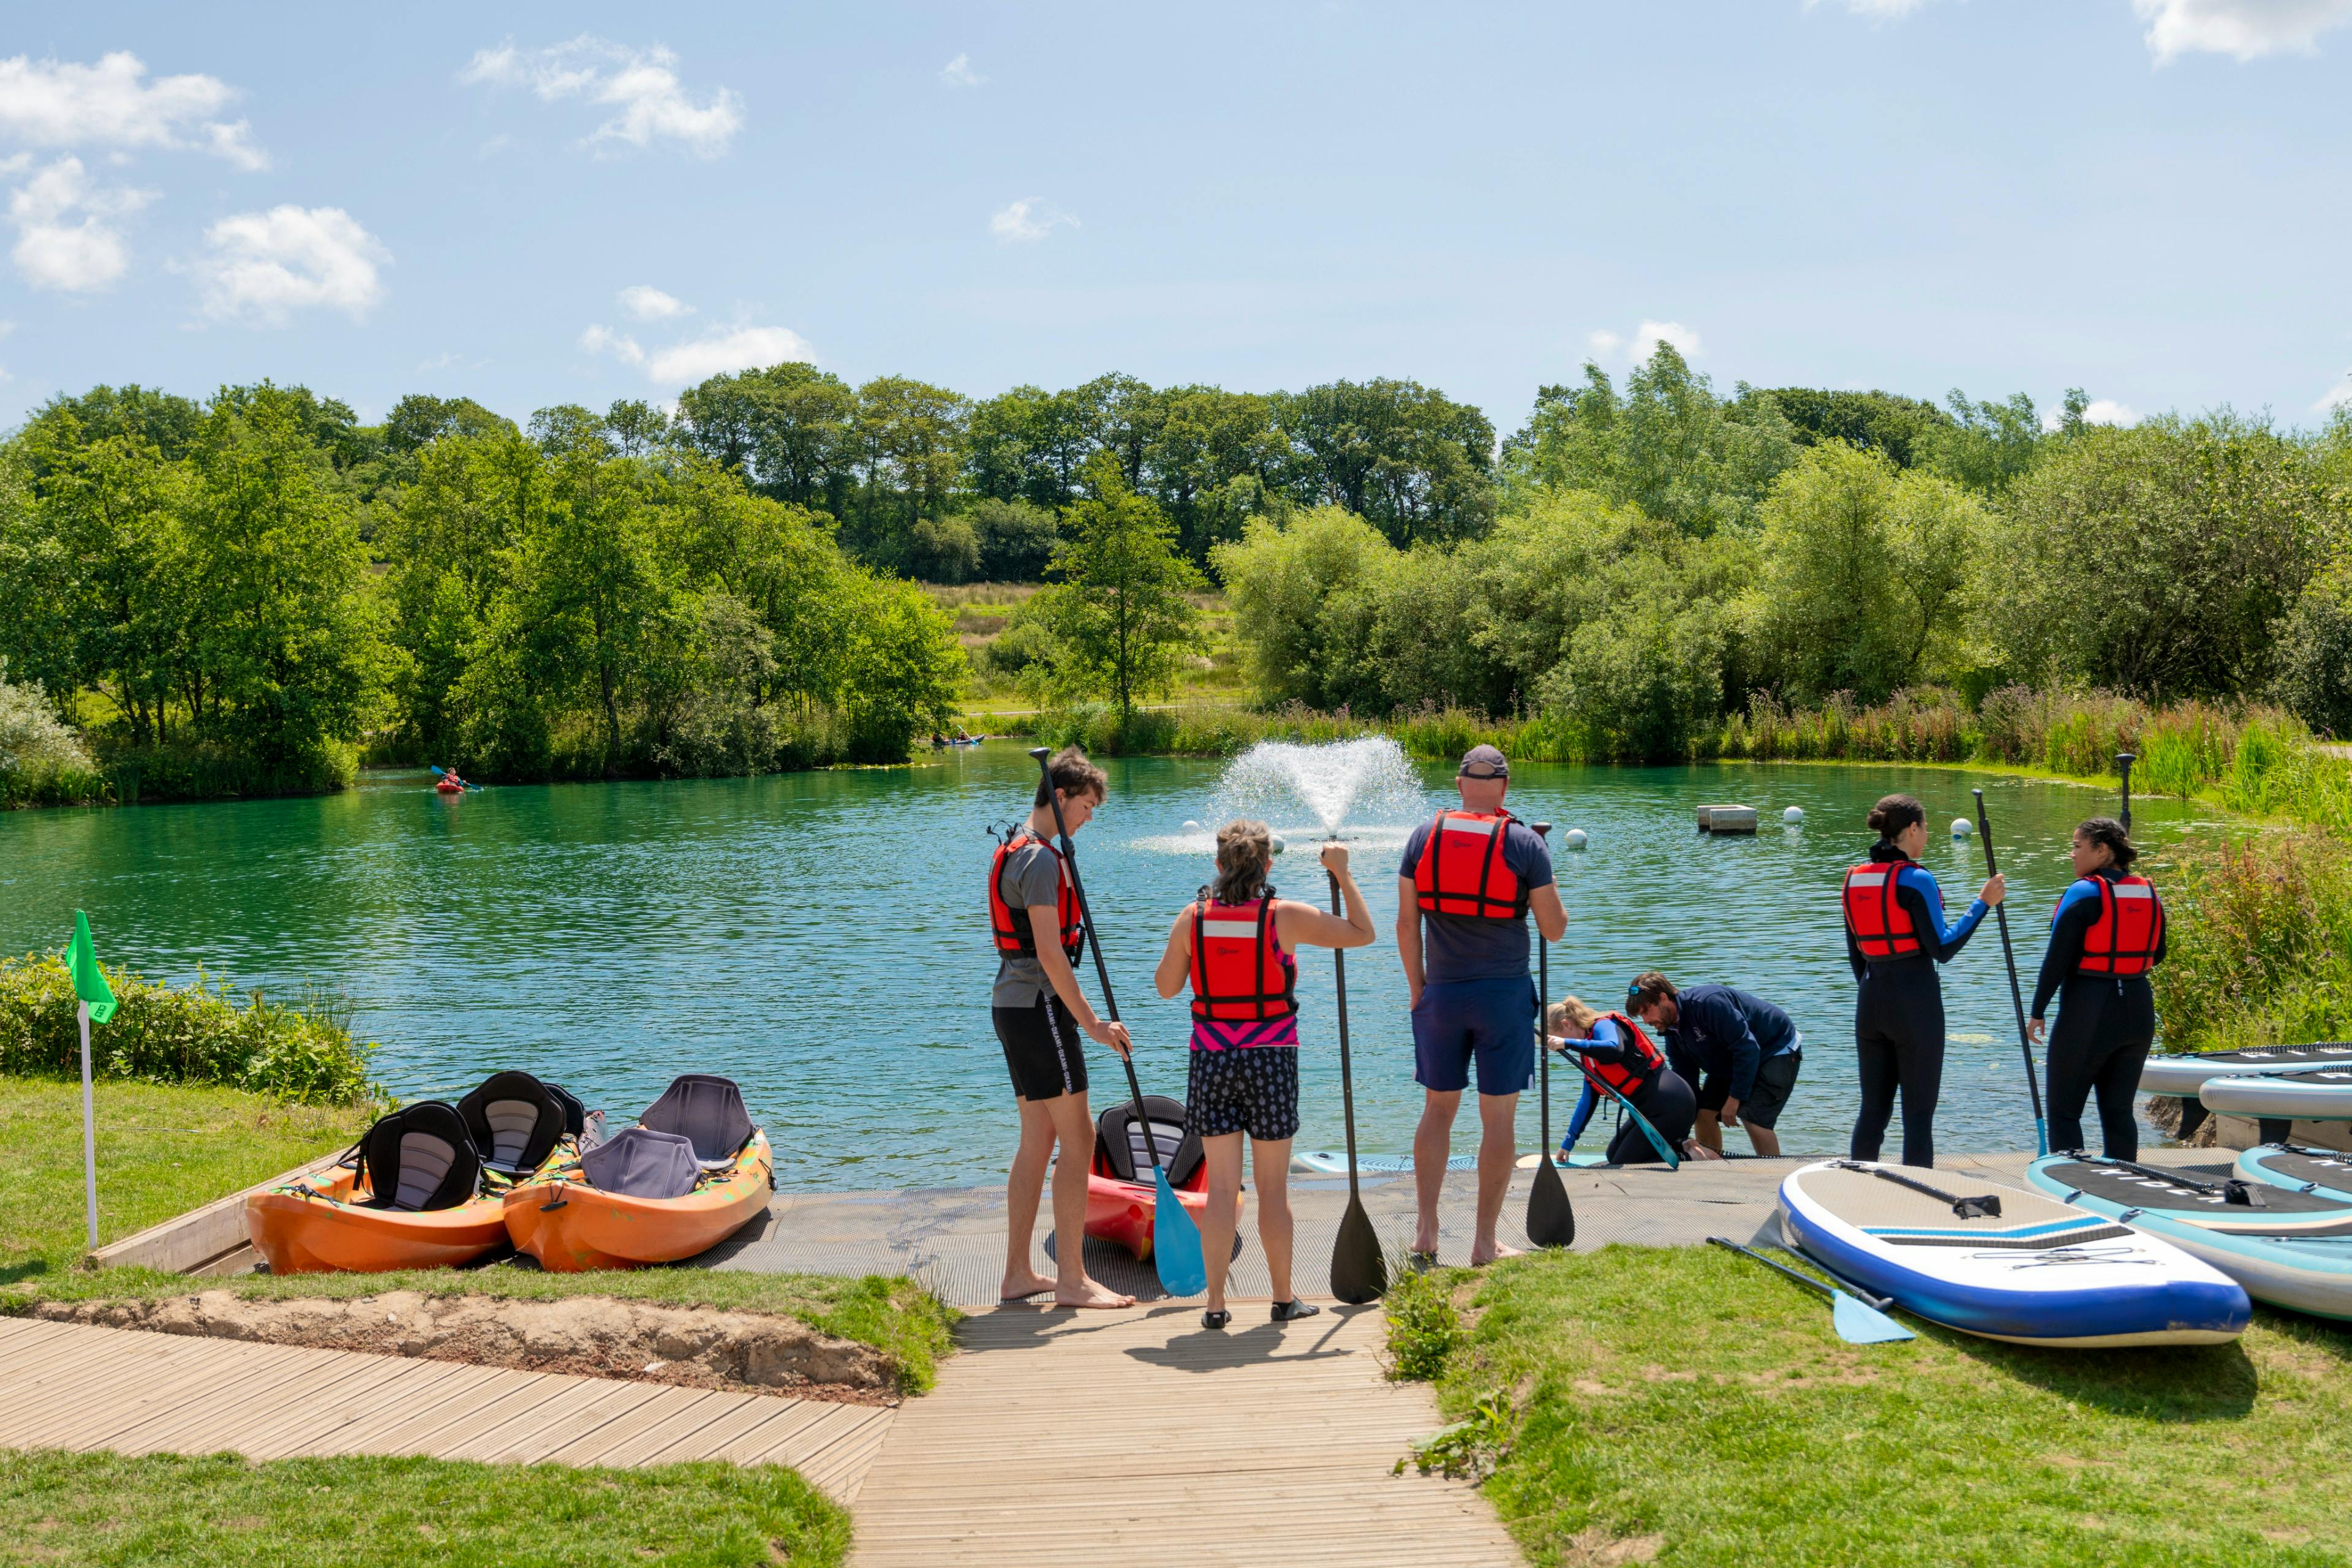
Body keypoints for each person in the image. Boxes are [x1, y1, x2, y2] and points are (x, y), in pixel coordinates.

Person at [1153, 824, 1375, 1329]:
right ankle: (1282, 1299)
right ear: (1267, 865)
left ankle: (1214, 1305)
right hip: (1271, 1060)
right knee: (1272, 1189)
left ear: (1219, 865)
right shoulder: (1286, 917)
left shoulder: (1194, 918)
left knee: (1222, 1189)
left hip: (1211, 1060)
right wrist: (1342, 873)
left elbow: (1167, 988)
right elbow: (1365, 934)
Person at [1396, 744, 1567, 1264]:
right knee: (1499, 1121)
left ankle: (1426, 1231)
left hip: (1440, 996)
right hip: (1503, 999)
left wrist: (1417, 989)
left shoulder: (1423, 837)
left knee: (1437, 1110)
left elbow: (1407, 925)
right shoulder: (1523, 843)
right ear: (1505, 788)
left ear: (1459, 784)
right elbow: (1554, 930)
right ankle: (1483, 1243)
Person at [987, 745, 1134, 1309]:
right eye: (1088, 805)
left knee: (1038, 1139)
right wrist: (1094, 1023)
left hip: (1012, 1006)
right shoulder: (1043, 860)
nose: (1091, 817)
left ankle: (1019, 1274)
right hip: (1042, 1007)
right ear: (1062, 796)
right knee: (1080, 1139)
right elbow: (1050, 953)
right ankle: (1072, 1281)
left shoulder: (1018, 849)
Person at [1842, 793, 2005, 1169]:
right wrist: (1982, 903)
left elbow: (1856, 952)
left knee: (1873, 1111)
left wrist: (1876, 988)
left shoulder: (1853, 879)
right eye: (1926, 827)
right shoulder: (1917, 880)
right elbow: (1942, 948)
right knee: (1917, 1115)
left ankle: (1851, 1189)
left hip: (1870, 1000)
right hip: (1915, 1003)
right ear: (1912, 829)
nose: (1928, 835)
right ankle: (1918, 1197)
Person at [2030, 817, 2167, 1159]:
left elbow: (2056, 961)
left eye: (2077, 847)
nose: (2072, 855)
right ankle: (2126, 1184)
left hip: (2088, 1010)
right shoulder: (2147, 892)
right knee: (2119, 1111)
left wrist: (2037, 1012)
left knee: (2064, 1112)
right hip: (2138, 1007)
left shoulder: (2082, 892)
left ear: (2102, 849)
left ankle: (2068, 1185)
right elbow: (2159, 952)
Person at [1626, 973, 1801, 1157]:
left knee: (1752, 1116)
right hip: (1734, 1057)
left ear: (1663, 998)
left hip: (1775, 1048)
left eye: (1646, 1011)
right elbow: (1688, 1083)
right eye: (1640, 1016)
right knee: (1702, 1111)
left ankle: (1773, 1174)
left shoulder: (1709, 1004)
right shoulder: (1672, 1032)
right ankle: (1712, 1167)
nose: (1645, 1021)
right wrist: (1678, 1128)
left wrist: (1734, 1100)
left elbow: (1748, 1049)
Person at [1547, 996, 1718, 1164]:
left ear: (1566, 1024)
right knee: (1613, 1155)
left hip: (1671, 1104)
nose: (1561, 1049)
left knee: (1627, 1161)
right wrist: (1568, 1143)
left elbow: (1615, 1048)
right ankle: (1684, 1145)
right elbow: (1587, 1102)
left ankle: (1691, 1158)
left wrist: (1567, 1043)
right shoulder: (1589, 1056)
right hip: (1648, 1110)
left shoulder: (1604, 1025)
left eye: (1557, 1038)